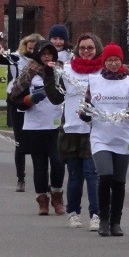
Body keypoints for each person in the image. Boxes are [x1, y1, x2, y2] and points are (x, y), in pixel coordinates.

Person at [44, 33, 104, 231]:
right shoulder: (68, 71)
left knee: (92, 173)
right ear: (77, 50)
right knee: (75, 175)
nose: (86, 51)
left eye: (90, 48)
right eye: (83, 48)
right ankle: (73, 213)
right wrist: (48, 76)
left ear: (97, 49)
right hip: (71, 129)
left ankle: (96, 214)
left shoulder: (103, 72)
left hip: (94, 131)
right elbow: (55, 97)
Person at [81, 43, 129, 237]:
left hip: (123, 137)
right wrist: (85, 114)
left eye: (116, 60)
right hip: (101, 137)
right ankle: (103, 219)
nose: (113, 63)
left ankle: (116, 222)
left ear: (121, 61)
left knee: (118, 181)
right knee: (105, 175)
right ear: (104, 62)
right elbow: (87, 105)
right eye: (109, 60)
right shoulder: (95, 81)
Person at [9, 40, 65, 216]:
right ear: (38, 55)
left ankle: (57, 196)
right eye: (44, 54)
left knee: (57, 162)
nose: (47, 57)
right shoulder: (30, 70)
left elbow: (69, 93)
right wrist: (30, 99)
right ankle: (42, 200)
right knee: (39, 166)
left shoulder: (60, 70)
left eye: (50, 53)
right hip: (35, 126)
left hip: (56, 125)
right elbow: (15, 96)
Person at [0, 33, 45, 192]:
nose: (32, 51)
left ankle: (41, 177)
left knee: (38, 141)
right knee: (20, 141)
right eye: (29, 48)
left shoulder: (44, 62)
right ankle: (20, 178)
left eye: (35, 48)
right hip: (17, 98)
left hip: (37, 100)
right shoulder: (17, 58)